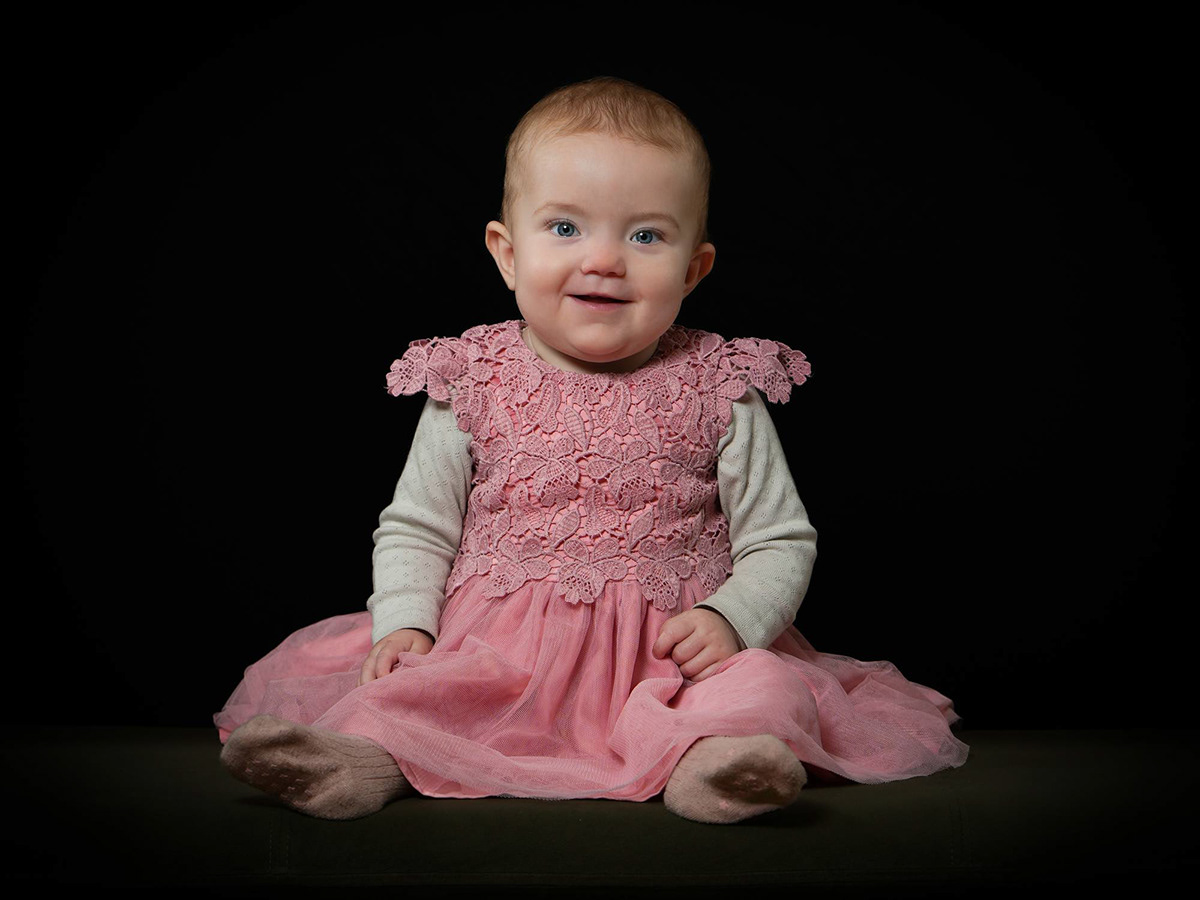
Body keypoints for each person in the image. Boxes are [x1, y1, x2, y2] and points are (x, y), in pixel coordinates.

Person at [216, 76, 968, 824]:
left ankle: (715, 764)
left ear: (692, 269)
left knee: (760, 692)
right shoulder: (474, 379)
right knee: (416, 691)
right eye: (566, 228)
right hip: (497, 654)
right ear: (507, 254)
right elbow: (417, 524)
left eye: (645, 235)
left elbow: (779, 539)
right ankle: (364, 759)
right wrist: (407, 621)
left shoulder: (719, 386)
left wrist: (731, 619)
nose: (604, 259)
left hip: (669, 660)